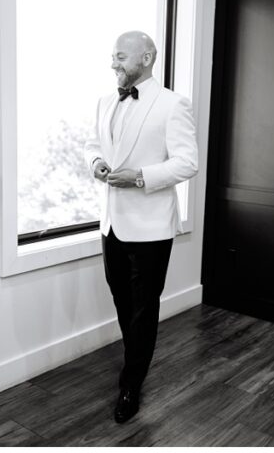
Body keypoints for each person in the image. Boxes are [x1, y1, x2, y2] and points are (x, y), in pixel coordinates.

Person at [84, 31, 198, 424]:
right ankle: (136, 359)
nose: (113, 64)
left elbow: (187, 163)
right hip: (111, 224)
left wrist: (139, 177)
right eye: (113, 57)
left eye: (120, 57)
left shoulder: (172, 105)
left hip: (151, 228)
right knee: (122, 300)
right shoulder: (103, 102)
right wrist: (96, 164)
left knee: (143, 309)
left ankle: (132, 383)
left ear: (146, 57)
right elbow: (91, 145)